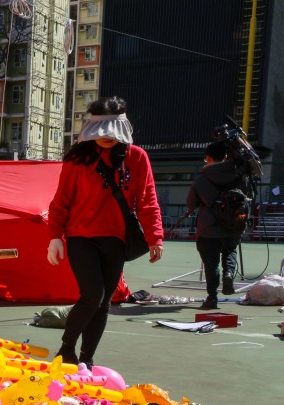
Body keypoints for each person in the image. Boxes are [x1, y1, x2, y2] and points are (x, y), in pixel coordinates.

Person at [46, 97, 164, 368]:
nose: (107, 137)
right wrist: (55, 236)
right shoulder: (77, 158)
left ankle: (87, 358)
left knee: (104, 302)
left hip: (116, 238)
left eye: (113, 130)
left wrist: (155, 236)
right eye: (100, 130)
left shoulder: (136, 157)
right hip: (80, 237)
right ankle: (66, 350)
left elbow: (147, 199)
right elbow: (61, 199)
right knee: (93, 295)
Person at [187, 141, 247, 309]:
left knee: (211, 264)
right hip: (233, 225)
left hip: (209, 228)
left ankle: (212, 297)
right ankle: (229, 273)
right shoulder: (238, 174)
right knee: (230, 251)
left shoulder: (202, 178)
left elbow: (191, 203)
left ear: (208, 158)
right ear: (226, 156)